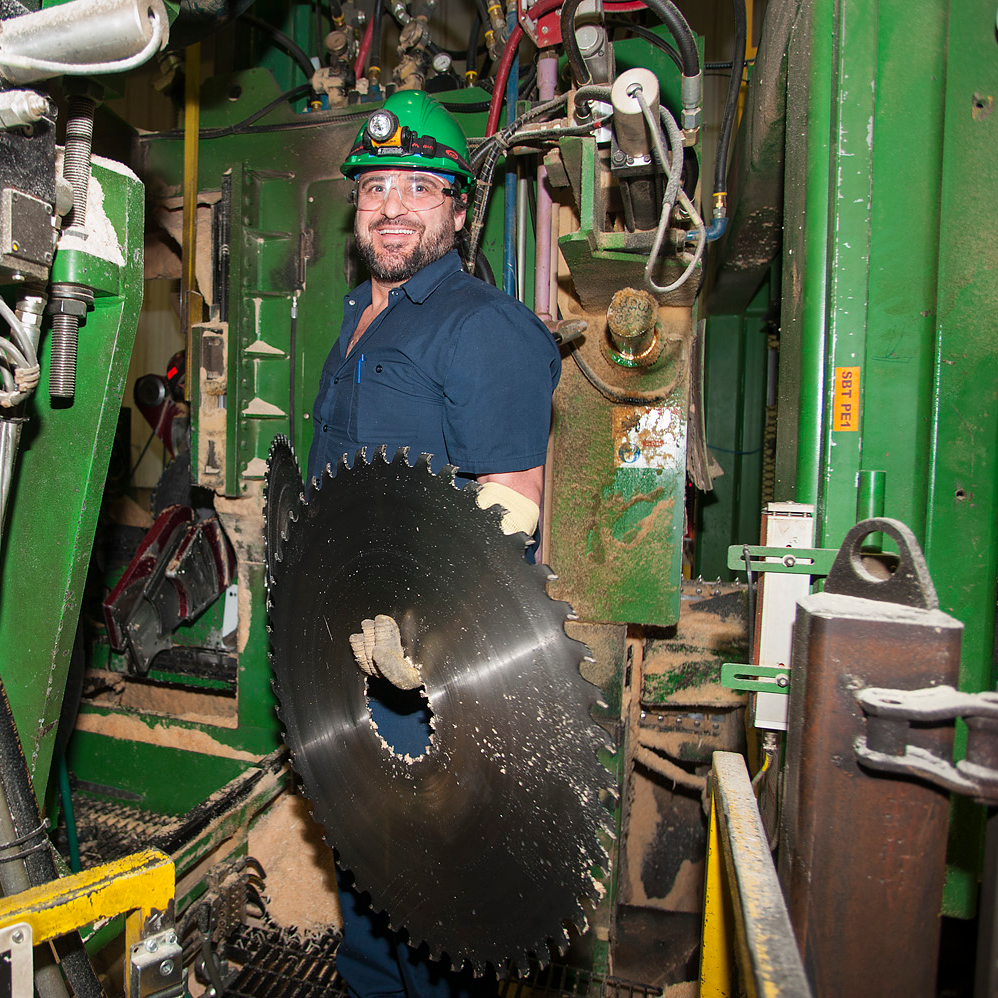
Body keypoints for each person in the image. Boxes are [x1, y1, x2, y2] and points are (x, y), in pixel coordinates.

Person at [304, 91, 561, 998]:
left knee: (438, 913)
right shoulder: (358, 319)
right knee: (371, 895)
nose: (393, 207)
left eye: (420, 187)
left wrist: (432, 646)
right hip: (351, 655)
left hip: (430, 678)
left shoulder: (479, 325)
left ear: (457, 209)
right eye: (377, 188)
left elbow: (510, 511)